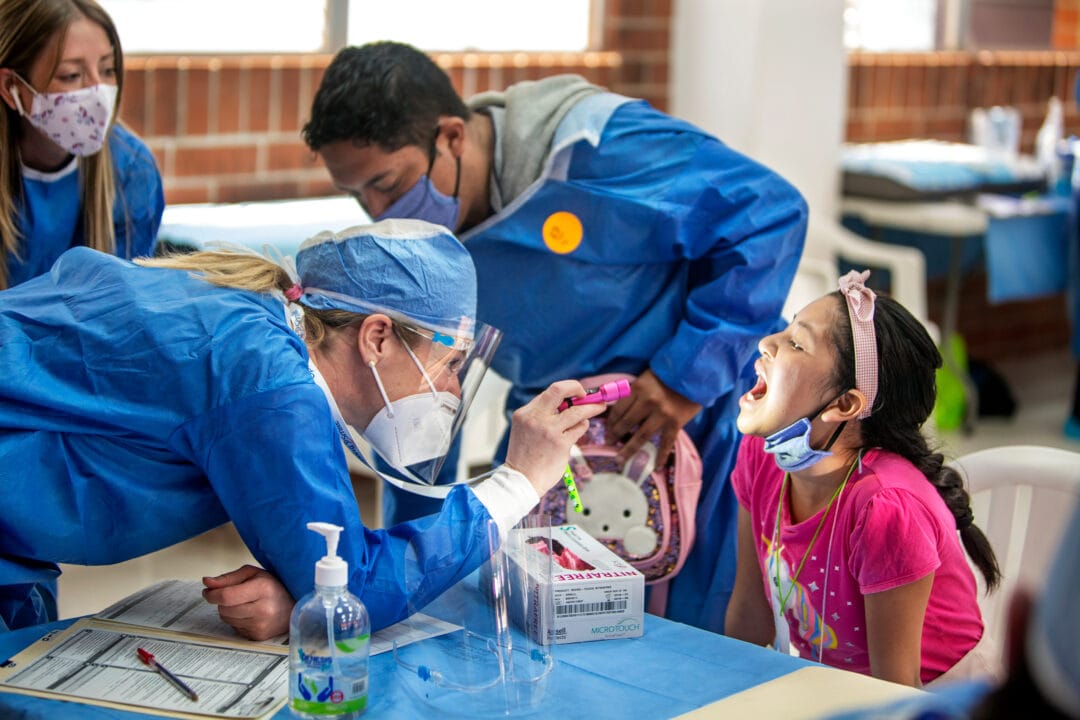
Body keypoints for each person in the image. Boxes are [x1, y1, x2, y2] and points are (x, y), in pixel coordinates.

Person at [301, 41, 808, 632]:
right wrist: (398, 573)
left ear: (452, 137)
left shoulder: (596, 147)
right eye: (357, 194)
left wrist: (681, 379)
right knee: (528, 617)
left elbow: (769, 214)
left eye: (387, 184)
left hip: (692, 419)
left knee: (694, 628)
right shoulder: (415, 243)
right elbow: (420, 411)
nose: (376, 209)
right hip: (560, 424)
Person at [0, 219, 604, 638]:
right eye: (449, 365)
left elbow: (326, 562)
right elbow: (358, 585)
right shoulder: (270, 385)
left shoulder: (254, 320)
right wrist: (518, 480)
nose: (449, 391)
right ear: (376, 337)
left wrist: (305, 597)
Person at [724, 269, 1002, 687]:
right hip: (837, 690)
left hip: (933, 703)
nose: (768, 342)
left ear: (845, 404)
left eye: (796, 343)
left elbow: (897, 691)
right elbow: (749, 613)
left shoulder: (885, 511)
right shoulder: (761, 459)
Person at [0, 0, 163, 290]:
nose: (97, 93)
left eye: (108, 70)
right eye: (72, 76)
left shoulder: (132, 171)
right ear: (12, 87)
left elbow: (116, 315)